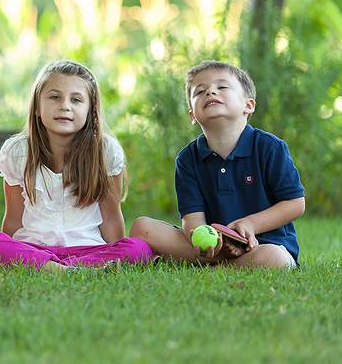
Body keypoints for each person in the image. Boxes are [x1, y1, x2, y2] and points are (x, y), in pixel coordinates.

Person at [0, 60, 152, 272]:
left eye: (76, 100)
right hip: (33, 247)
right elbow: (13, 219)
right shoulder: (17, 151)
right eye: (55, 97)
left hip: (88, 250)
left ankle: (55, 270)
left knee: (139, 248)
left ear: (91, 111)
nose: (65, 106)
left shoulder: (105, 150)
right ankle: (64, 270)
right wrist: (5, 251)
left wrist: (117, 252)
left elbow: (110, 217)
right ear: (36, 106)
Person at [129, 60, 306, 268]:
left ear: (248, 105)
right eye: (200, 91)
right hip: (213, 248)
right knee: (142, 228)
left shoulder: (269, 147)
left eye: (222, 87)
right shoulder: (187, 160)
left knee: (272, 258)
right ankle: (218, 262)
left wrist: (250, 224)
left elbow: (295, 204)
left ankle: (207, 269)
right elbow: (192, 219)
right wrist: (204, 241)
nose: (210, 92)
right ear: (193, 116)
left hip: (262, 246)